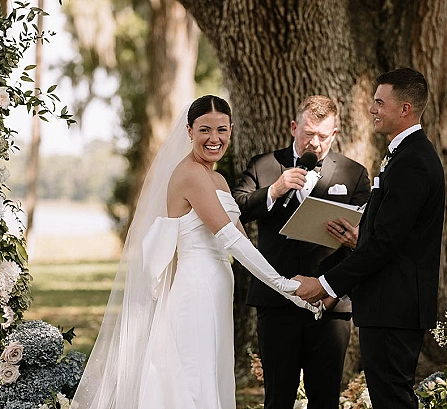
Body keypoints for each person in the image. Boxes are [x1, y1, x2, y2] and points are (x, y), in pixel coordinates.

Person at [72, 95, 322, 409]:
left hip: (217, 289)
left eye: (221, 130)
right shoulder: (190, 174)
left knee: (212, 375)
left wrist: (289, 286)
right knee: (192, 380)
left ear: (231, 130)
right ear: (189, 131)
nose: (214, 138)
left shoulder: (216, 178)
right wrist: (287, 287)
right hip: (196, 290)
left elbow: (244, 243)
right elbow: (231, 240)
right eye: (204, 130)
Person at [294, 68, 446, 409]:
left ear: (404, 109)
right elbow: (390, 235)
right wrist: (359, 238)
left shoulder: (413, 162)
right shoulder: (405, 156)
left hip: (394, 307)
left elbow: (385, 245)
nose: (372, 110)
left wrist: (325, 285)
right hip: (388, 305)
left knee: (393, 400)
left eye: (380, 102)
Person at [232, 95, 371, 409]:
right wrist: (275, 190)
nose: (315, 142)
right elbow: (234, 209)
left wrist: (352, 245)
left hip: (330, 305)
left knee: (325, 398)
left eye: (323, 136)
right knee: (278, 397)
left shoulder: (354, 173)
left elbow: (369, 241)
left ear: (334, 134)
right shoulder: (264, 165)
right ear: (294, 127)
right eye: (308, 133)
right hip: (276, 300)